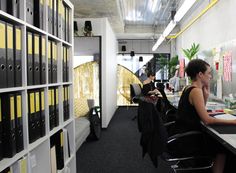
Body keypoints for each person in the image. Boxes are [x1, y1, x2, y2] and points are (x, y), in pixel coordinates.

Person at [175, 59, 236, 173]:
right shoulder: (196, 91)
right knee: (222, 148)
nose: (210, 76)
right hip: (189, 141)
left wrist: (206, 95)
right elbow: (207, 120)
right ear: (200, 74)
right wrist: (232, 122)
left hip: (183, 135)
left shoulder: (189, 88)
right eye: (208, 73)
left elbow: (198, 110)